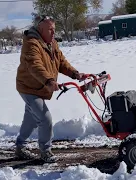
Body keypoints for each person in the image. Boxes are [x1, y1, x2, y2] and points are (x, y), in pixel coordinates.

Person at [15, 15, 85, 163]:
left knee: (32, 119)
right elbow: (35, 66)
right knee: (45, 119)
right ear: (40, 29)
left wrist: (75, 74)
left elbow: (61, 62)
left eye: (54, 29)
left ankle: (20, 146)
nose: (53, 33)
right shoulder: (31, 43)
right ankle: (45, 152)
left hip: (41, 86)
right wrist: (49, 80)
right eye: (50, 30)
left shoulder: (52, 43)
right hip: (28, 87)